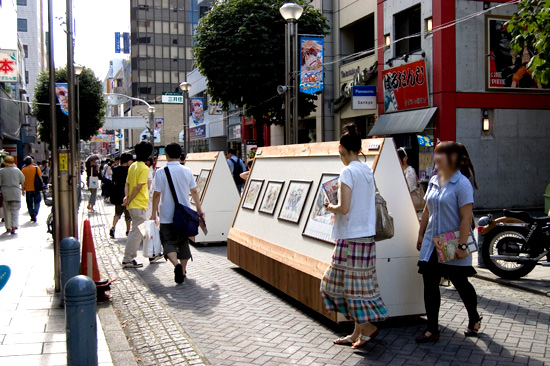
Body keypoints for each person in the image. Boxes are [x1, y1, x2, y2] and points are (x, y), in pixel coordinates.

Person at [320, 125, 387, 349]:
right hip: (367, 236)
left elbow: (345, 208)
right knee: (359, 287)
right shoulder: (367, 169)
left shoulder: (347, 172)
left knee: (333, 285)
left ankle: (366, 328)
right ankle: (357, 333)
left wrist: (331, 207)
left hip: (350, 238)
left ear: (341, 148)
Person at [415, 141, 481, 343]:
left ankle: (474, 317)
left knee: (461, 283)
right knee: (430, 284)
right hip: (431, 243)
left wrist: (462, 246)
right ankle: (432, 329)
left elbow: (465, 218)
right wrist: (420, 233)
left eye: (438, 155)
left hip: (452, 242)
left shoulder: (462, 184)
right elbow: (427, 208)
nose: (435, 158)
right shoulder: (435, 179)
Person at [151, 143, 205, 284]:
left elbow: (156, 194)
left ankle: (176, 264)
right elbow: (194, 192)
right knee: (183, 242)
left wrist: (153, 214)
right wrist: (199, 210)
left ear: (166, 155)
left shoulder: (160, 172)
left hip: (166, 214)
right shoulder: (187, 171)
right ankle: (183, 270)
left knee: (167, 241)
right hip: (184, 215)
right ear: (180, 154)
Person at [122, 141, 154, 268]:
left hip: (133, 205)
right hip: (139, 204)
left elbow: (128, 184)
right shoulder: (144, 168)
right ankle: (128, 258)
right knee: (136, 233)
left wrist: (127, 197)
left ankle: (151, 253)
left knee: (137, 231)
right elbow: (139, 187)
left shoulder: (133, 166)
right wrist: (129, 199)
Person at [109, 153, 134, 239]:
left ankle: (113, 227)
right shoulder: (130, 170)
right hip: (127, 194)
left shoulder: (115, 169)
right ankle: (127, 231)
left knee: (117, 212)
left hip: (117, 194)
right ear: (127, 161)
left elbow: (113, 181)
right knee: (128, 215)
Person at [0, 156, 25, 234]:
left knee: (6, 210)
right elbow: (23, 180)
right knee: (15, 210)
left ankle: (8, 227)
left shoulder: (1, 171)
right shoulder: (17, 170)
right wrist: (23, 190)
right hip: (15, 191)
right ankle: (14, 226)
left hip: (5, 192)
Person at [21, 156, 42, 222]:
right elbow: (40, 178)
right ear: (31, 161)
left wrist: (22, 189)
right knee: (37, 201)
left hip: (28, 189)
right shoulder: (36, 168)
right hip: (36, 188)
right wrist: (42, 185)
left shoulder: (23, 169)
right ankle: (35, 212)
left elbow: (22, 181)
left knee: (29, 203)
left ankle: (32, 214)